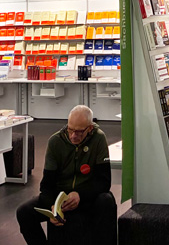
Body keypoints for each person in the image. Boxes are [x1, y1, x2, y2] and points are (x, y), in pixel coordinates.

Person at [16, 105, 116, 245]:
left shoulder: (99, 139)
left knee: (106, 200)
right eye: (70, 129)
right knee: (24, 212)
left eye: (79, 132)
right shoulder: (55, 142)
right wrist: (52, 207)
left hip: (87, 196)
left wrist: (80, 195)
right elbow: (47, 185)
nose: (73, 136)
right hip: (60, 198)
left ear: (89, 128)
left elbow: (104, 182)